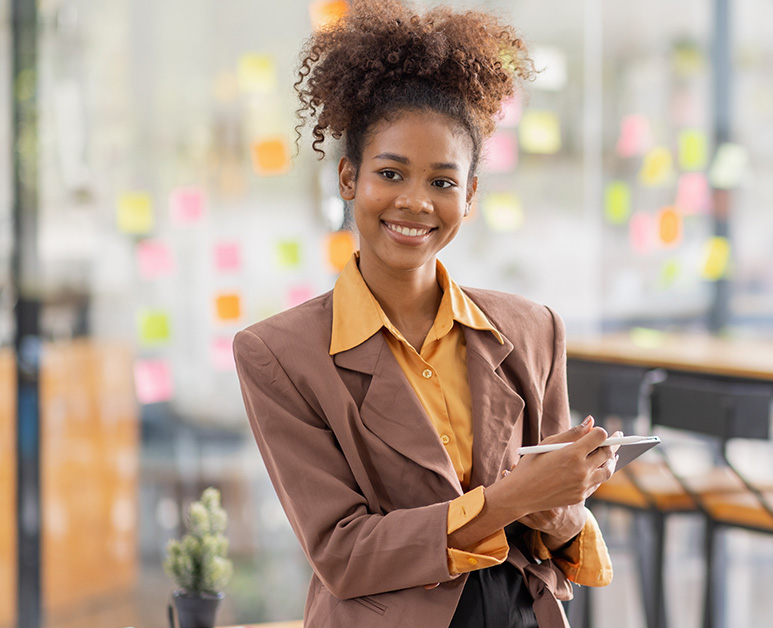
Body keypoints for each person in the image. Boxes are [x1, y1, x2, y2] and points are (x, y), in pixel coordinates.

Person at [233, 2, 618, 626]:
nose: (415, 202)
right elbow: (344, 553)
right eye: (391, 173)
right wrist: (507, 501)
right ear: (348, 178)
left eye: (442, 182)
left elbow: (559, 535)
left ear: (469, 196)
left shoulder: (531, 330)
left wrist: (560, 504)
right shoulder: (279, 354)